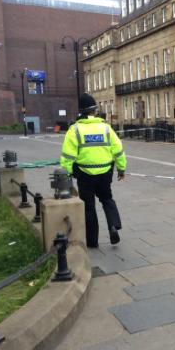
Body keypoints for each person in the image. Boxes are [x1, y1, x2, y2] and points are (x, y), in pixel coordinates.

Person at [60, 93, 127, 248]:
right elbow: (118, 151)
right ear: (94, 111)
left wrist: (67, 173)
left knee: (89, 207)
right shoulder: (106, 128)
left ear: (81, 111)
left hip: (84, 175)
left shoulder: (74, 130)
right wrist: (121, 169)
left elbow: (67, 156)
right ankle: (113, 226)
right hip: (105, 173)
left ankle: (92, 241)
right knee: (107, 199)